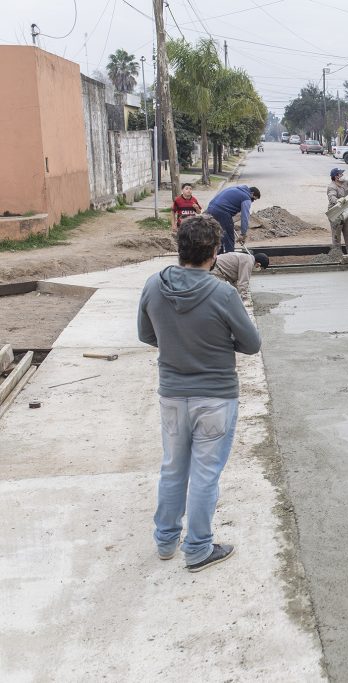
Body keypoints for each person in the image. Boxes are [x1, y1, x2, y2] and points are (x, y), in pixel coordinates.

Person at [137, 214, 262, 572]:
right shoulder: (222, 293)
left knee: (173, 468)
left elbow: (146, 335)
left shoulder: (153, 285)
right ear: (215, 252)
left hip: (173, 394)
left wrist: (176, 341)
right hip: (216, 397)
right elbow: (251, 344)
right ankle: (198, 549)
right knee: (205, 474)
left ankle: (165, 542)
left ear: (180, 248)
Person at [206, 185, 261, 254]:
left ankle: (218, 259)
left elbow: (238, 214)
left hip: (210, 209)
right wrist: (243, 234)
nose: (252, 201)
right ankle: (230, 259)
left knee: (218, 236)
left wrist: (229, 222)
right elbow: (245, 217)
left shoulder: (235, 189)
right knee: (229, 239)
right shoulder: (246, 198)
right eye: (254, 199)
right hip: (222, 212)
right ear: (252, 194)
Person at [327, 168, 348, 253]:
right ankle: (336, 253)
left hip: (346, 212)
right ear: (336, 177)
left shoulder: (344, 183)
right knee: (336, 236)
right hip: (336, 214)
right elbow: (331, 196)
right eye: (340, 174)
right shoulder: (332, 187)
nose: (342, 175)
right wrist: (337, 200)